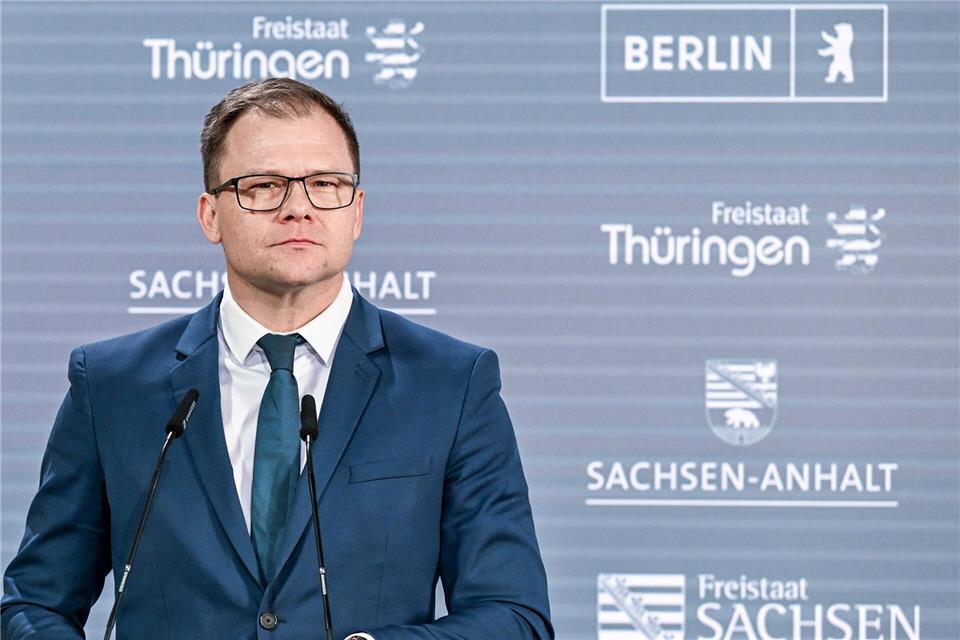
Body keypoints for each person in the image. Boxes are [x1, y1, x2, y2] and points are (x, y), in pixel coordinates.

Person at [2, 78, 553, 640]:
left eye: (325, 184)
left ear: (356, 212)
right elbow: (34, 605)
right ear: (210, 215)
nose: (299, 209)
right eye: (263, 186)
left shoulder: (452, 385)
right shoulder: (112, 386)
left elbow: (513, 615)